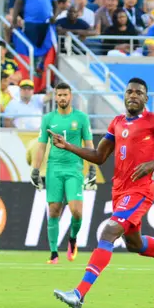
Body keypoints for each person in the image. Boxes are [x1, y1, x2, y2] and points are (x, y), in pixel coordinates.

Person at [52, 78, 154, 308]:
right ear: (124, 96)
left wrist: (153, 163)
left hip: (140, 189)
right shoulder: (116, 123)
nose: (133, 95)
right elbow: (99, 156)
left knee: (108, 232)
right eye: (129, 92)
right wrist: (69, 146)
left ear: (146, 98)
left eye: (139, 93)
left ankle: (79, 294)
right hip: (119, 190)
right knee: (134, 244)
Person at [31, 83, 96, 264]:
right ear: (55, 97)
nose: (62, 98)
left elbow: (89, 144)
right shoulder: (48, 119)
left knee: (76, 212)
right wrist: (35, 170)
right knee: (53, 210)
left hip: (75, 168)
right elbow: (42, 145)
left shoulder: (81, 118)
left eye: (65, 95)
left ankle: (73, 239)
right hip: (54, 168)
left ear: (71, 96)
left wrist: (92, 168)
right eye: (59, 95)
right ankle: (53, 253)